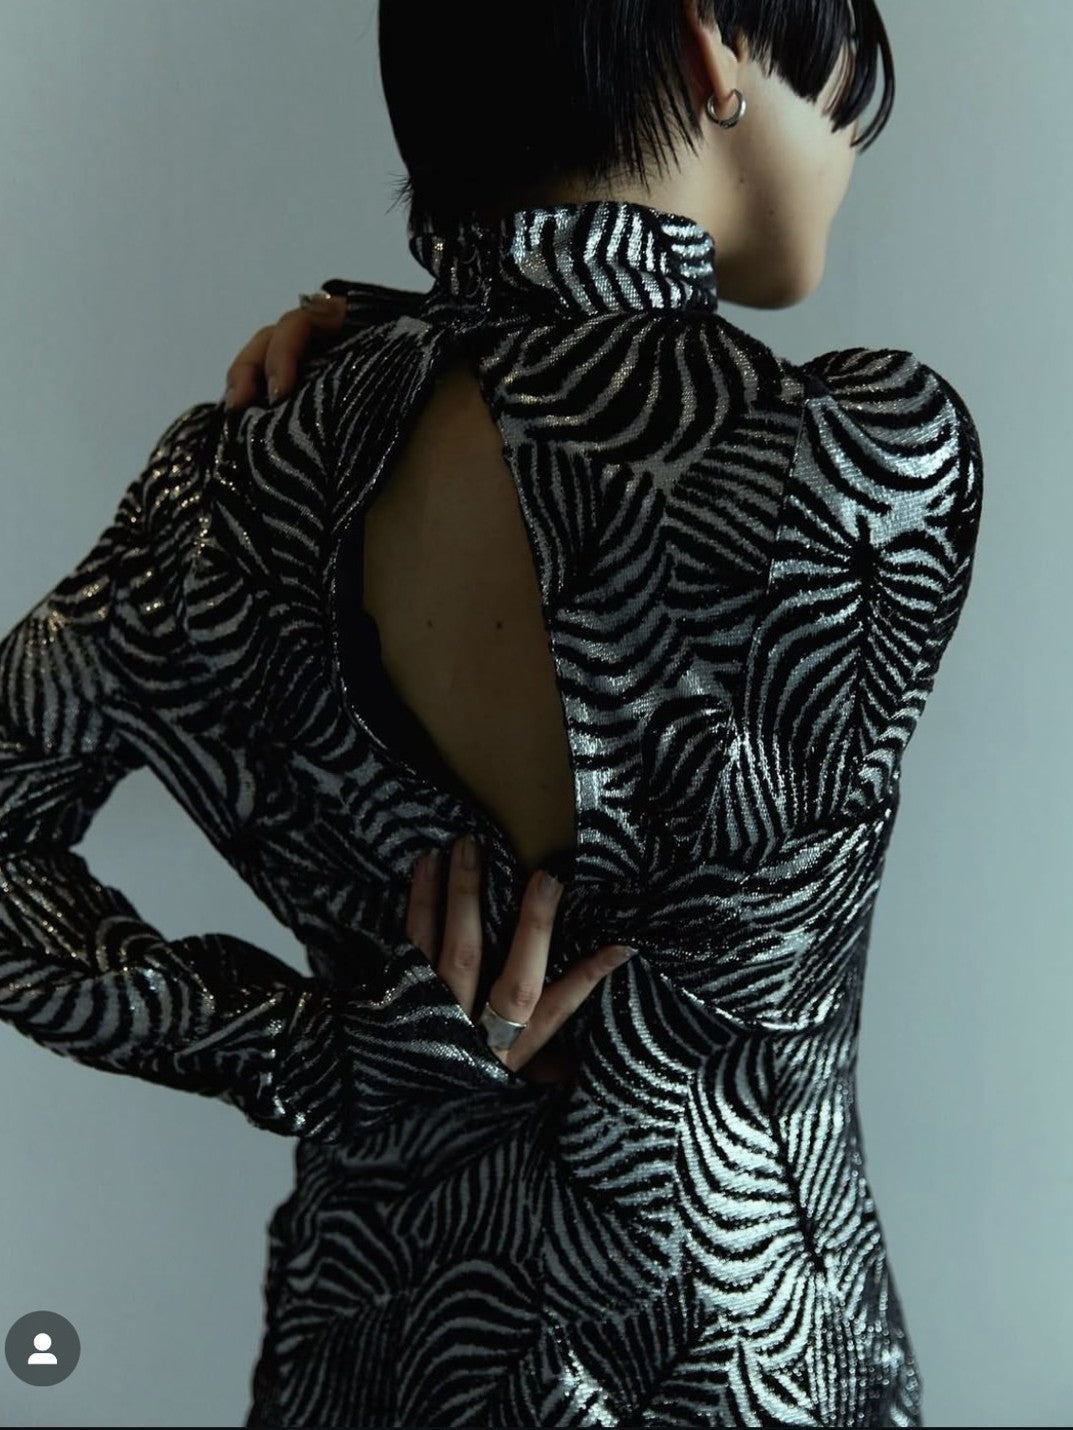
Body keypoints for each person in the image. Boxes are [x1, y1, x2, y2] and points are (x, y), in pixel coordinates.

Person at [0, 1, 984, 1425]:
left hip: (387, 1356)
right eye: (840, 87)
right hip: (742, 1361)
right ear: (713, 41)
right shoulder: (873, 454)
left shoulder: (235, 478)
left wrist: (307, 1048)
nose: (846, 140)